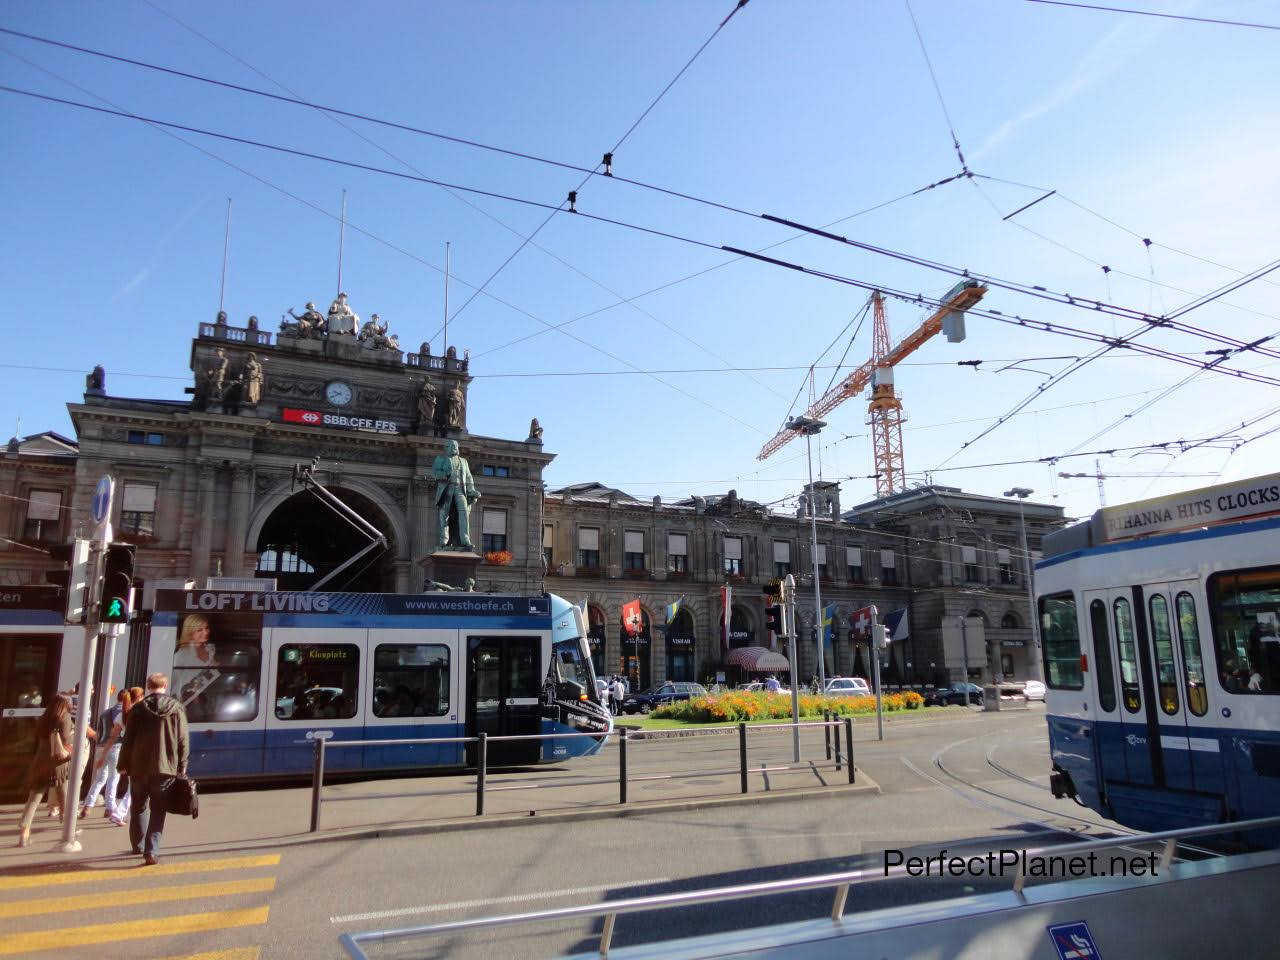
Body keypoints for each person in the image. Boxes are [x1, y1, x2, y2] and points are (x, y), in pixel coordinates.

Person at [118, 673, 189, 866]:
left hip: (138, 767)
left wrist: (123, 764)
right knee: (158, 810)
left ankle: (137, 845)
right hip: (166, 767)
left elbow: (128, 739)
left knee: (138, 807)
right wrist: (182, 764)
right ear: (165, 686)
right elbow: (183, 739)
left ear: (148, 686)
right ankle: (152, 850)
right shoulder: (176, 708)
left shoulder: (137, 709)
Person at [17, 695, 73, 847]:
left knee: (34, 798)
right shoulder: (65, 718)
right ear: (66, 705)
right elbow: (66, 738)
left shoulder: (44, 718)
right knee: (63, 796)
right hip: (58, 763)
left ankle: (24, 832)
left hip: (40, 761)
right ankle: (68, 829)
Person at [82, 689, 130, 821]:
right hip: (116, 747)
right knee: (113, 778)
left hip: (100, 747)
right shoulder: (126, 713)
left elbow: (99, 733)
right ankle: (110, 808)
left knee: (99, 779)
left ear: (117, 698)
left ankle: (87, 806)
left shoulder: (105, 713)